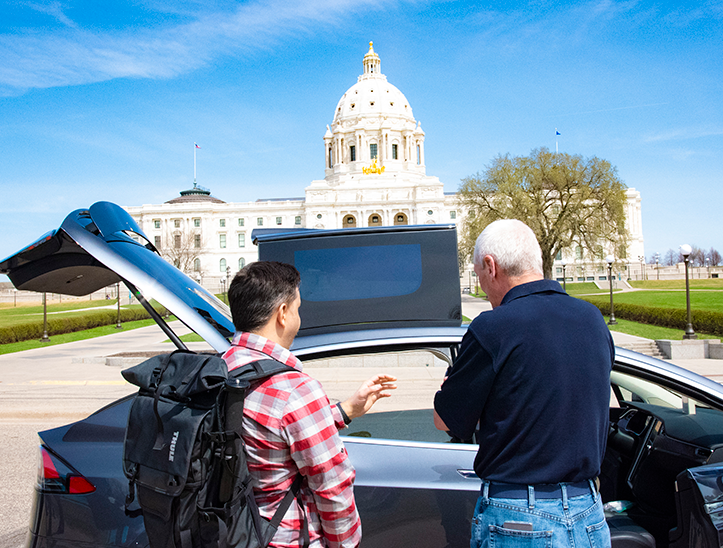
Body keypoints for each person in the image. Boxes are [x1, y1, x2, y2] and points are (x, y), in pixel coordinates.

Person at [434, 220, 613, 548]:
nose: (482, 287)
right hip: (588, 510)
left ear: (491, 266)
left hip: (517, 513)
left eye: (478, 274)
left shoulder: (492, 327)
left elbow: (446, 420)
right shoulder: (592, 319)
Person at [223, 261, 397, 548]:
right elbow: (333, 487)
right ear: (282, 313)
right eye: (297, 308)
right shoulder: (294, 390)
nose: (298, 317)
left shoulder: (220, 370)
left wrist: (345, 410)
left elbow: (272, 434)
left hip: (233, 535)